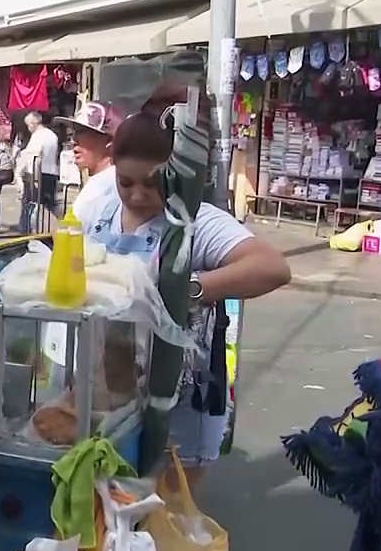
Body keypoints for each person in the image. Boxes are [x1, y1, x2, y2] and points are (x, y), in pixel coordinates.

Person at [81, 87, 291, 487]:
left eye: (153, 184)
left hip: (176, 394)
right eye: (126, 183)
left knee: (165, 515)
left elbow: (272, 268)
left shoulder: (197, 221)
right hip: (108, 392)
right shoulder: (101, 211)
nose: (138, 195)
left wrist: (185, 290)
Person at [56, 100, 124, 222]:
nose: (74, 139)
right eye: (74, 131)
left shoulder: (108, 187)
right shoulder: (100, 182)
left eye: (82, 132)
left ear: (109, 140)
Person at [19, 111, 61, 219]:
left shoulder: (37, 136)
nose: (28, 128)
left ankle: (33, 229)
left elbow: (34, 157)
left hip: (38, 173)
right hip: (52, 172)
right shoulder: (52, 135)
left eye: (28, 125)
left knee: (33, 204)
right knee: (49, 204)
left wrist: (30, 176)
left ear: (33, 123)